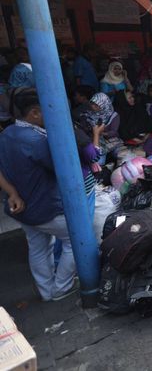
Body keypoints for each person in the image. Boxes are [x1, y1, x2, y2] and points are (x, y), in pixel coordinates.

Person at [0, 90, 78, 301]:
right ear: (34, 112)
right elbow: (62, 169)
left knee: (38, 246)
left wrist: (12, 193)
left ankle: (46, 291)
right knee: (75, 240)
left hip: (21, 209)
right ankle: (61, 288)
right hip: (45, 208)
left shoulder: (7, 133)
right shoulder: (36, 140)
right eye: (49, 110)